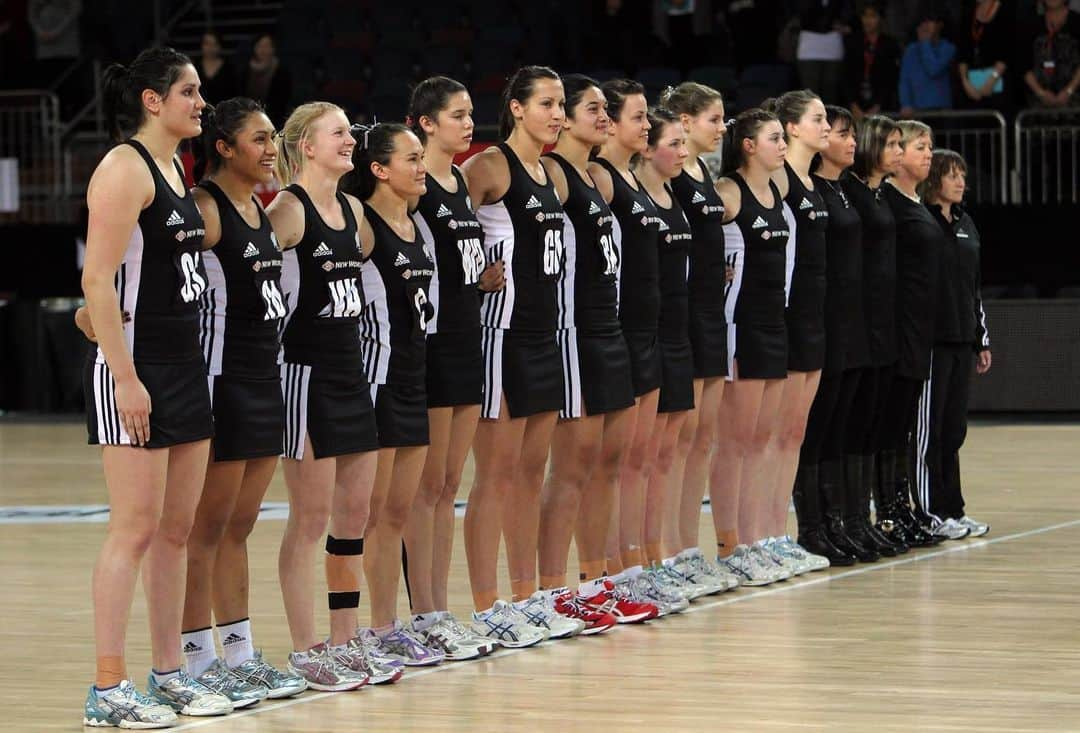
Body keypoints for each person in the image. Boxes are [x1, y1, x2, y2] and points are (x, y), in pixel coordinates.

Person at [80, 46, 231, 728]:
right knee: (134, 530)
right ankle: (107, 689)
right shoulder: (123, 167)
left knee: (176, 530)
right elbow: (95, 282)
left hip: (184, 366)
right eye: (190, 91)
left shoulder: (176, 166)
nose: (202, 102)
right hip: (135, 369)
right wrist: (125, 379)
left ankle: (167, 673)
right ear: (152, 100)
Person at [178, 98, 305, 706]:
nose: (270, 147)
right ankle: (196, 660)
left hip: (264, 380)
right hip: (220, 384)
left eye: (273, 136)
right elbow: (144, 259)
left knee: (239, 528)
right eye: (258, 138)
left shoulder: (260, 209)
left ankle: (240, 655)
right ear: (224, 147)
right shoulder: (206, 208)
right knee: (206, 530)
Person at [268, 102, 395, 691]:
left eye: (349, 132)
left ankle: (346, 640)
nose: (351, 140)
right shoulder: (286, 210)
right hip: (306, 374)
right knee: (310, 519)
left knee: (353, 517)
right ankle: (304, 648)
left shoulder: (353, 211)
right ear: (305, 146)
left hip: (351, 375)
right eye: (338, 132)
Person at [462, 66, 580, 646]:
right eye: (547, 104)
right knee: (497, 476)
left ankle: (527, 594)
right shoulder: (487, 166)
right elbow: (439, 223)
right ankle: (487, 605)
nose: (557, 114)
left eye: (561, 105)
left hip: (543, 334)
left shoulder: (551, 174)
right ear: (515, 108)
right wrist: (472, 279)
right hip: (500, 336)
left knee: (532, 473)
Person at [535, 75, 654, 631]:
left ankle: (596, 580)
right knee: (573, 467)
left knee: (608, 464)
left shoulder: (597, 176)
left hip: (612, 330)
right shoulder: (556, 173)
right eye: (592, 108)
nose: (602, 116)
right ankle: (553, 589)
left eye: (605, 108)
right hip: (575, 332)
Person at [338, 122, 453, 666]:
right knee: (372, 512)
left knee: (399, 513)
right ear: (379, 169)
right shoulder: (360, 225)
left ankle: (389, 627)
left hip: (414, 378)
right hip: (375, 381)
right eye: (411, 158)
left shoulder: (421, 226)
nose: (421, 166)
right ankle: (363, 630)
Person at [402, 76, 500, 659]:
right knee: (425, 488)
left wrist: (481, 280)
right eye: (458, 115)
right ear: (426, 123)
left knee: (446, 487)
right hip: (430, 344)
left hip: (469, 338)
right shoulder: (415, 189)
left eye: (471, 114)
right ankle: (423, 613)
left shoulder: (461, 184)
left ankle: (439, 609)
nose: (469, 124)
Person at [594, 81, 699, 614]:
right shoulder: (602, 180)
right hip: (625, 334)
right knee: (624, 460)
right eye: (637, 117)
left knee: (652, 457)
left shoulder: (642, 186)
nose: (642, 125)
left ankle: (645, 560)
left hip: (661, 332)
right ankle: (617, 568)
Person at [713, 107, 809, 583]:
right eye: (775, 138)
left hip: (776, 323)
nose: (782, 145)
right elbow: (694, 232)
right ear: (748, 145)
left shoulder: (781, 189)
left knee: (766, 440)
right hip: (741, 327)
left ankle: (762, 539)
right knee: (737, 442)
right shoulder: (728, 191)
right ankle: (732, 545)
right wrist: (713, 268)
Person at [662, 82, 737, 596]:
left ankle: (689, 547)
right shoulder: (667, 176)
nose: (723, 127)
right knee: (676, 444)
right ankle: (666, 550)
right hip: (681, 316)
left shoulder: (705, 173)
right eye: (714, 118)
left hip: (712, 314)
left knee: (702, 441)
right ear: (684, 122)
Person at [807, 104, 888, 563]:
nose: (850, 141)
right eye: (841, 133)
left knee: (846, 424)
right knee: (822, 426)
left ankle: (846, 521)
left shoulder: (844, 191)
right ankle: (815, 527)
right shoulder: (813, 189)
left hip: (856, 322)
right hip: (827, 321)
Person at [632, 106, 700, 611]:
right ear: (648, 146)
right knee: (641, 457)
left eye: (684, 143)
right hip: (645, 336)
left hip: (679, 334)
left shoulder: (673, 194)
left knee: (667, 455)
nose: (683, 152)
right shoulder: (631, 194)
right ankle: (637, 561)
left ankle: (660, 558)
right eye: (674, 143)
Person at [765, 89, 831, 576]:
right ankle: (757, 538)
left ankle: (777, 535)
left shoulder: (812, 182)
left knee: (794, 434)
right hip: (782, 318)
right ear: (790, 128)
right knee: (769, 435)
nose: (826, 127)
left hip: (813, 316)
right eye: (818, 118)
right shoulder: (781, 181)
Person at [915, 149, 992, 539]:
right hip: (931, 342)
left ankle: (953, 510)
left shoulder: (967, 224)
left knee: (953, 429)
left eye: (963, 174)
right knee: (929, 432)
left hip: (963, 339)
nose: (961, 181)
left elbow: (973, 287)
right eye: (952, 174)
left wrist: (982, 339)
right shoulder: (921, 221)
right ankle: (928, 513)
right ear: (934, 180)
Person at [877, 119, 946, 548]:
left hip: (921, 329)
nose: (926, 155)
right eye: (919, 146)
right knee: (890, 424)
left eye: (928, 147)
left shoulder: (917, 202)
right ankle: (886, 511)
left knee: (903, 426)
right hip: (897, 329)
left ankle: (903, 508)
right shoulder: (889, 204)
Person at [843, 114, 910, 555]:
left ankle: (866, 518)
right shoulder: (850, 190)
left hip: (886, 322)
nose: (899, 153)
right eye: (893, 144)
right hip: (858, 321)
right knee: (852, 424)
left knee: (875, 424)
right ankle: (843, 519)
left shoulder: (880, 194)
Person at [843, 2, 901, 117]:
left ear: (881, 19)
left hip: (882, 105)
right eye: (865, 16)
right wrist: (853, 104)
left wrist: (878, 106)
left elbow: (891, 78)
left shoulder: (890, 44)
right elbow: (845, 75)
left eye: (872, 16)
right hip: (855, 105)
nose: (868, 20)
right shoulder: (852, 42)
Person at [1022, 0, 1080, 107]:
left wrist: (1069, 91)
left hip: (1075, 101)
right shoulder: (1030, 24)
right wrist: (1040, 93)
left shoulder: (1077, 22)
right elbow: (1022, 64)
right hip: (1037, 102)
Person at [957, 0, 1012, 110]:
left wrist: (991, 81)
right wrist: (965, 82)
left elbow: (1007, 51)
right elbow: (962, 53)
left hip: (998, 87)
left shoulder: (1006, 11)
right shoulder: (968, 13)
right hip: (971, 88)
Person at [899, 11, 956, 115]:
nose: (925, 26)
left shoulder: (948, 48)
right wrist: (906, 104)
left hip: (940, 110)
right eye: (922, 22)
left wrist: (925, 43)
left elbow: (933, 69)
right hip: (915, 110)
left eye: (929, 22)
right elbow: (904, 80)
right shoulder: (911, 50)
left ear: (940, 25)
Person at [242, 34, 292, 125]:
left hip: (275, 120)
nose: (263, 50)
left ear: (273, 49)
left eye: (267, 46)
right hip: (249, 119)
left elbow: (284, 100)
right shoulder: (246, 71)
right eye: (260, 46)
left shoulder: (281, 72)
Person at [197, 32, 240, 105]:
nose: (210, 47)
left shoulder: (228, 68)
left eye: (214, 44)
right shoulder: (194, 67)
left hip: (224, 112)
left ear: (219, 46)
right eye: (207, 43)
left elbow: (234, 94)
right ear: (201, 45)